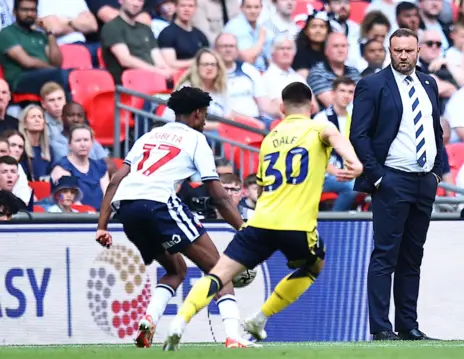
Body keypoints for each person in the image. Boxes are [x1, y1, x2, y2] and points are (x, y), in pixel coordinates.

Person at [162, 82, 363, 351]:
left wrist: (325, 168)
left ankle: (180, 320)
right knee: (314, 267)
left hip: (260, 220)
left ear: (281, 108)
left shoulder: (270, 138)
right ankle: (260, 317)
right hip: (296, 224)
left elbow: (276, 174)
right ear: (312, 107)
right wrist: (354, 162)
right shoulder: (318, 127)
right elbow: (334, 138)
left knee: (219, 274)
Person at [94, 87, 253, 349]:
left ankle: (148, 321)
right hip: (158, 204)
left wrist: (102, 226)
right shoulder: (197, 139)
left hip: (128, 210)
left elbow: (116, 180)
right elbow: (219, 195)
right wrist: (243, 228)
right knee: (220, 271)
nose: (204, 121)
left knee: (175, 270)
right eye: (204, 116)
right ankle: (233, 336)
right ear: (197, 113)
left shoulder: (149, 135)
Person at [350, 28, 444, 341]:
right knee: (385, 255)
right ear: (390, 51)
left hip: (423, 180)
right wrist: (378, 177)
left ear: (418, 51)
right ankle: (380, 327)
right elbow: (358, 134)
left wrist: (437, 171)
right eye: (397, 51)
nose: (403, 56)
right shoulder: (372, 84)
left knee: (412, 257)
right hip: (393, 179)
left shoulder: (429, 83)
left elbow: (435, 130)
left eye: (408, 50)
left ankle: (408, 325)